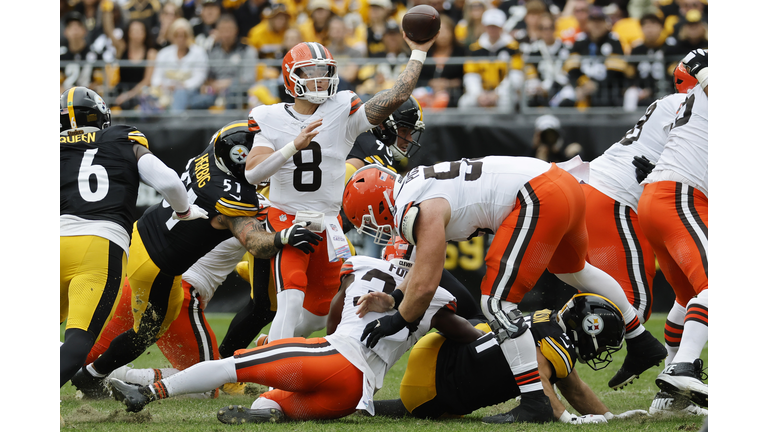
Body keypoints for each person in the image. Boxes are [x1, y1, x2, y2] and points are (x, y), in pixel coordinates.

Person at [343, 156, 667, 423]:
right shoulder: (417, 186)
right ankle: (641, 340)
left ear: (376, 204)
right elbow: (422, 270)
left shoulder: (416, 204)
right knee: (574, 269)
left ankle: (535, 404)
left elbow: (428, 282)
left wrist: (397, 319)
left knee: (497, 302)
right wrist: (397, 299)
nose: (376, 229)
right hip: (562, 182)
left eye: (368, 221)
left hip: (538, 194)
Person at [69, 120, 323, 399]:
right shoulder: (241, 201)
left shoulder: (209, 158)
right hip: (164, 273)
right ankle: (111, 377)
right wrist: (283, 237)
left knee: (88, 343)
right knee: (203, 377)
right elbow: (255, 242)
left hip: (139, 242)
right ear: (239, 161)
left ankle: (90, 373)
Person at [106, 252, 464, 423]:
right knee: (267, 405)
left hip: (331, 357)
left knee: (231, 366)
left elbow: (336, 309)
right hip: (354, 393)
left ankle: (146, 393)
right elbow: (464, 332)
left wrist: (331, 338)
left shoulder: (363, 265)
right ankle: (268, 417)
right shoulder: (437, 293)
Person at [241, 35, 437, 345]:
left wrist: (419, 52)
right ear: (292, 77)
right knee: (290, 300)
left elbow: (398, 94)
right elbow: (252, 174)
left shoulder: (342, 108)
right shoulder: (269, 116)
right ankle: (273, 379)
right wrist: (293, 145)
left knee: (319, 312)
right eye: (311, 72)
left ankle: (270, 347)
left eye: (325, 71)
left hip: (328, 223)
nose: (320, 79)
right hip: (287, 218)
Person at [60, 86, 207, 389]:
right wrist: (183, 212)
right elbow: (169, 181)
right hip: (99, 245)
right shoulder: (122, 138)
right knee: (77, 342)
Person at [582, 59, 704, 396]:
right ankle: (539, 340)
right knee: (631, 308)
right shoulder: (687, 105)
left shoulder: (671, 102)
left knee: (675, 296)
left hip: (611, 193)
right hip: (614, 197)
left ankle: (668, 380)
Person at [373, 293, 649, 424]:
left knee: (483, 328)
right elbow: (539, 381)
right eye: (605, 344)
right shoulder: (556, 341)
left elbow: (573, 387)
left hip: (436, 358)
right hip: (430, 386)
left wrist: (610, 418)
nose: (602, 351)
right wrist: (567, 419)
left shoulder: (550, 325)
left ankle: (362, 402)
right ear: (591, 328)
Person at [638, 49, 708, 409]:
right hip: (679, 197)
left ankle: (669, 395)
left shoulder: (687, 102)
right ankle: (683, 366)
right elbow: (699, 64)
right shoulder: (707, 90)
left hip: (660, 197)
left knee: (688, 297)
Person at [189, 13, 258, 109]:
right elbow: (207, 76)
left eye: (229, 30)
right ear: (217, 32)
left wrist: (227, 83)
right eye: (223, 30)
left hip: (239, 93)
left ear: (236, 31)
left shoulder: (247, 50)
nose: (226, 34)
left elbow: (249, 78)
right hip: (214, 93)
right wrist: (210, 85)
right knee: (194, 101)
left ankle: (228, 122)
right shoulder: (211, 51)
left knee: (233, 90)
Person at [458, 8, 523, 109]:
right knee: (465, 102)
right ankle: (471, 125)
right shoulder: (475, 48)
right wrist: (479, 94)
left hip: (504, 93)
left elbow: (515, 75)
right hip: (482, 91)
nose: (492, 29)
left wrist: (497, 94)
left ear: (502, 27)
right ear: (484, 26)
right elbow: (470, 74)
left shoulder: (512, 47)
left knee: (506, 102)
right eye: (489, 26)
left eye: (495, 26)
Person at [563, 7, 628, 107]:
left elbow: (615, 71)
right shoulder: (580, 40)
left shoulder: (613, 40)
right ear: (588, 23)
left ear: (606, 23)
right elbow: (571, 67)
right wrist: (584, 83)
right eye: (593, 22)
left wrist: (595, 85)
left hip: (606, 87)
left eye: (600, 22)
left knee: (603, 99)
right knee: (565, 99)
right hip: (582, 85)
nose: (597, 26)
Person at [150, 17, 209, 112]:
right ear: (172, 36)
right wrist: (166, 86)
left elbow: (199, 78)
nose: (180, 39)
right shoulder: (163, 53)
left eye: (184, 35)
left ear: (189, 35)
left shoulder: (199, 53)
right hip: (165, 92)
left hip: (190, 93)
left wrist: (181, 86)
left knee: (180, 94)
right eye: (177, 35)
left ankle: (175, 124)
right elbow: (155, 79)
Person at [415, 14, 466, 109]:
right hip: (428, 91)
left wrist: (448, 83)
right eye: (439, 31)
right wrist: (431, 83)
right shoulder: (425, 52)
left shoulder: (461, 52)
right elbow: (418, 77)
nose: (443, 35)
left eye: (446, 30)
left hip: (453, 94)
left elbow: (465, 77)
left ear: (452, 32)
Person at [112, 19, 158, 109]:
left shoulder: (151, 53)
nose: (138, 33)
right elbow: (109, 32)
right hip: (121, 89)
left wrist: (128, 95)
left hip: (140, 92)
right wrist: (106, 9)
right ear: (128, 33)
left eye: (141, 30)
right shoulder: (122, 48)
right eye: (134, 30)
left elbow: (147, 80)